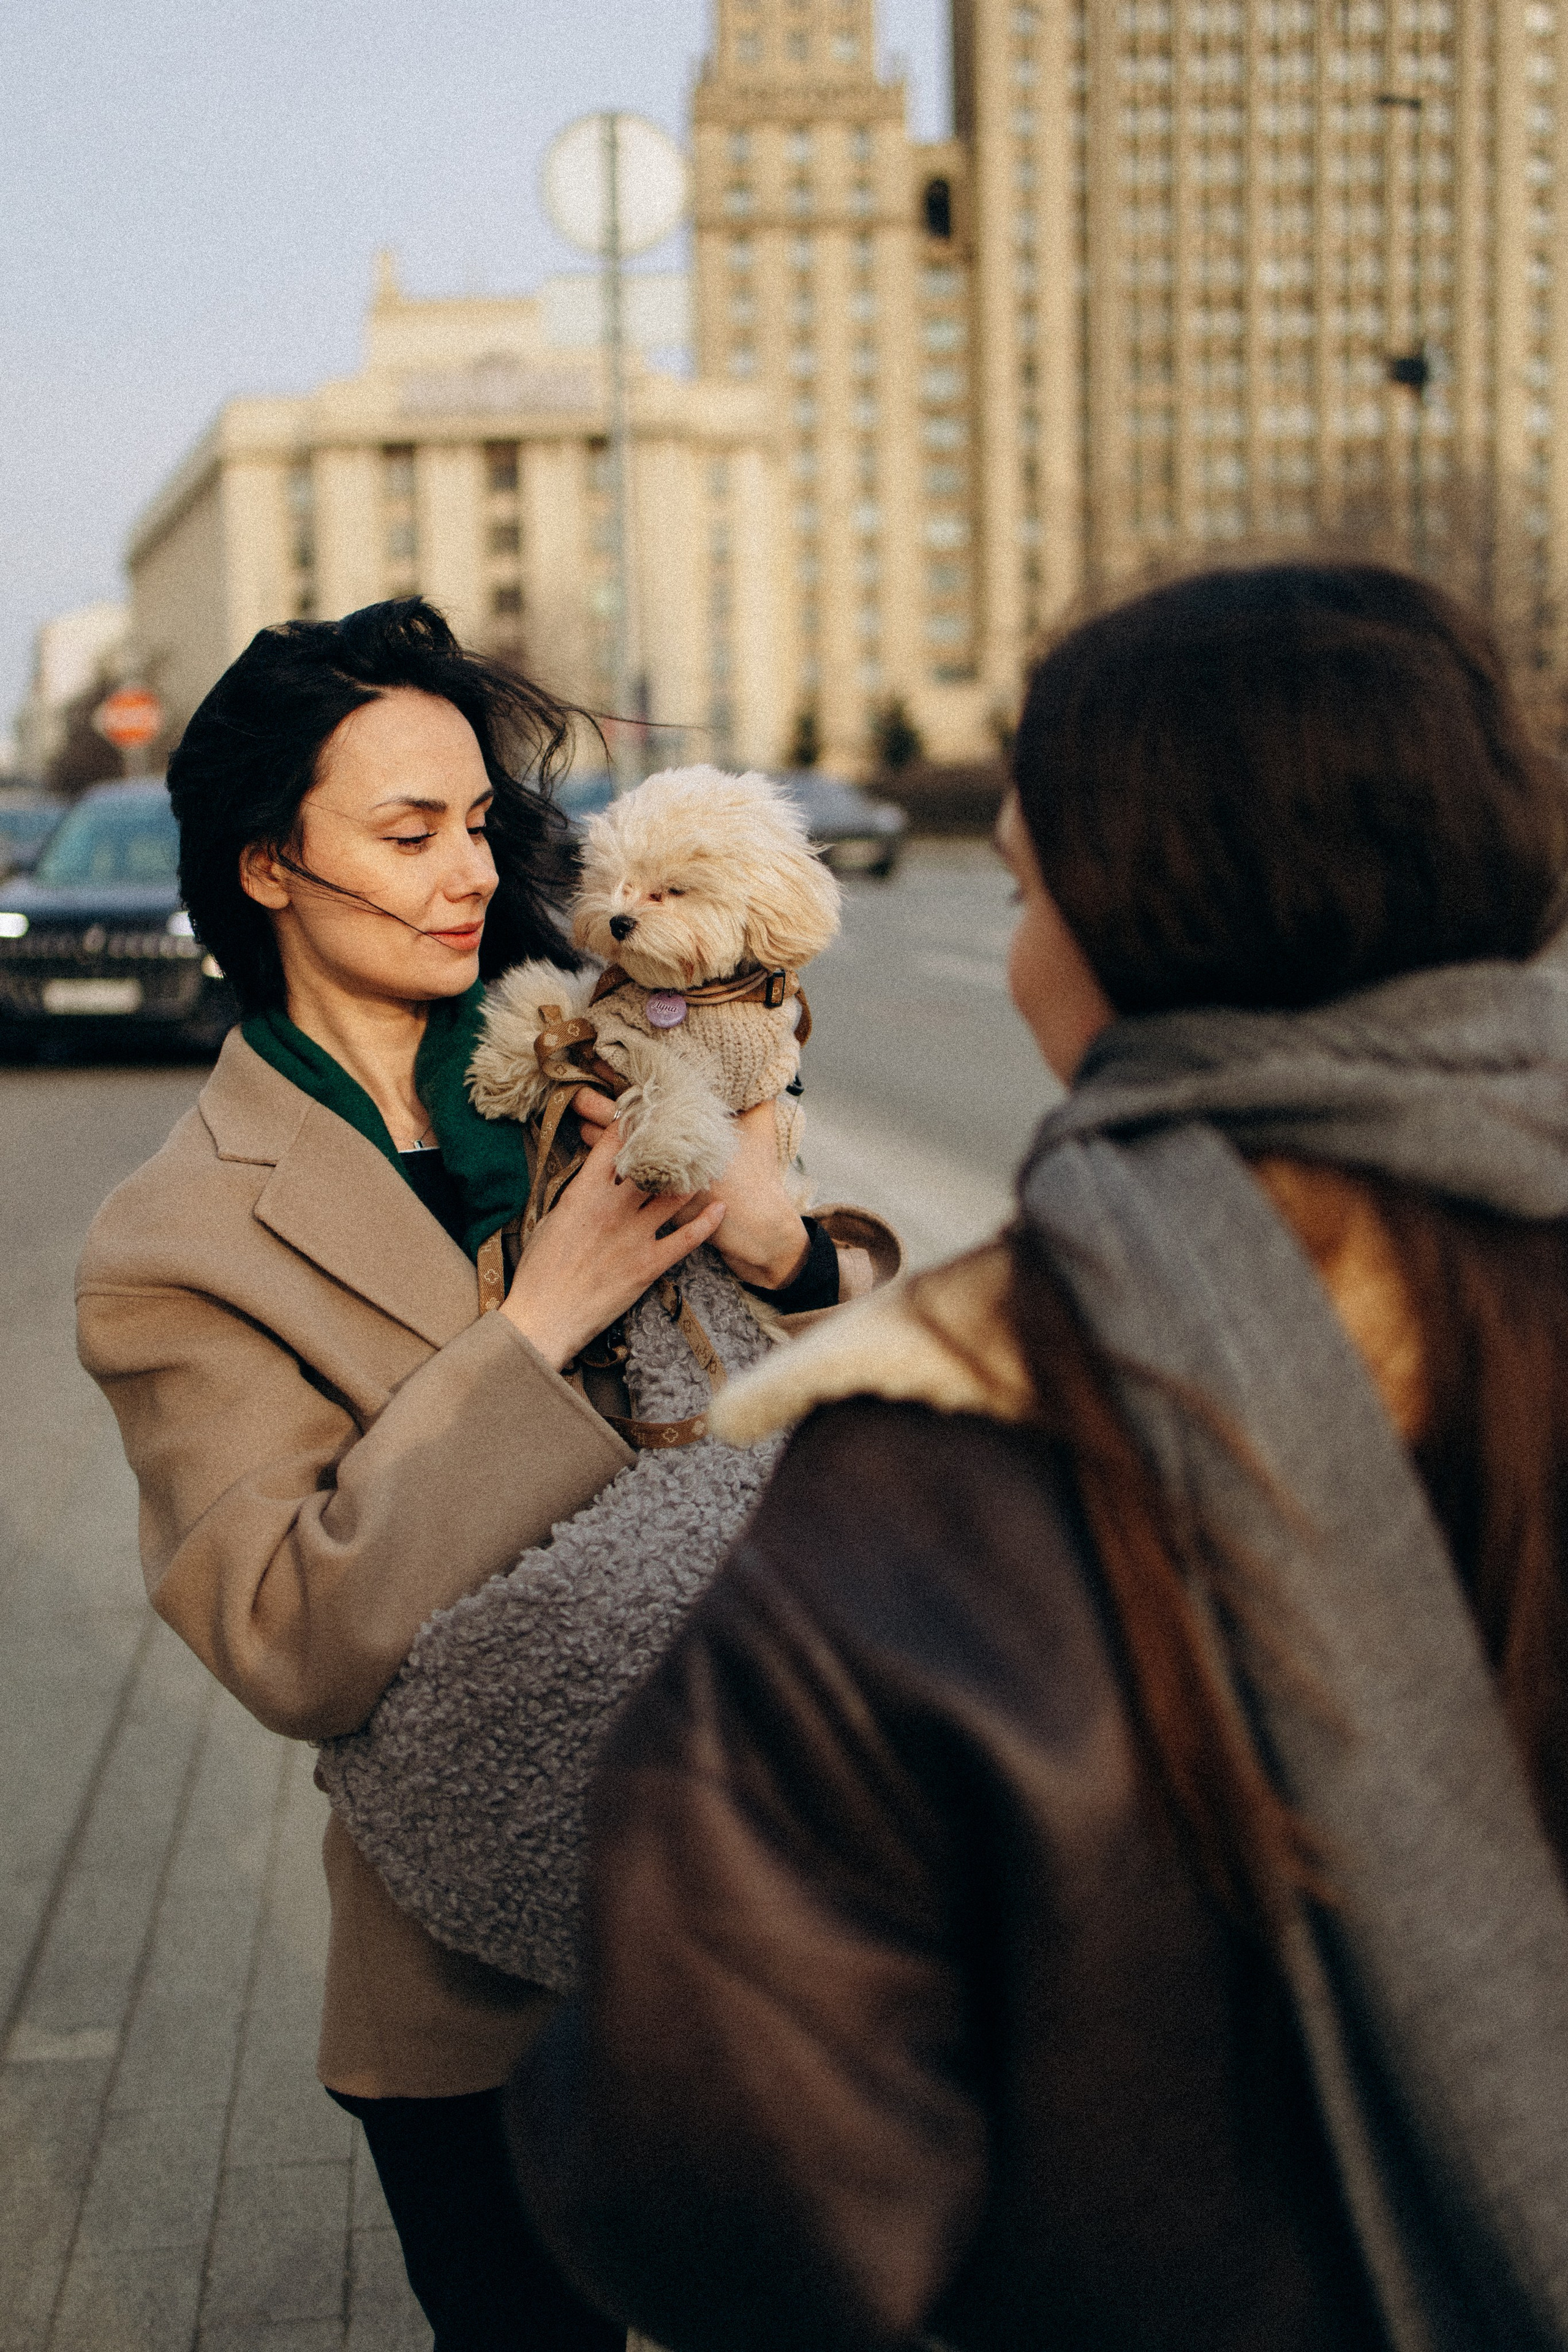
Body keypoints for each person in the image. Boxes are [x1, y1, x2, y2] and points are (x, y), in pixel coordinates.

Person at [505, 562, 1568, 2350]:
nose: (1014, 951)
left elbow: (712, 2176)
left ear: (1132, 924)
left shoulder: (942, 1466)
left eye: (1022, 890)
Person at [75, 598, 884, 2350]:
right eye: (407, 834)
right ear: (270, 868)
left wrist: (789, 1249)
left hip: (788, 1883)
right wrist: (539, 1327)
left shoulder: (609, 1048)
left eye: (479, 825)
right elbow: (291, 1632)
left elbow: (863, 1380)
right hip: (479, 1977)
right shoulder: (175, 1242)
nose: (471, 874)